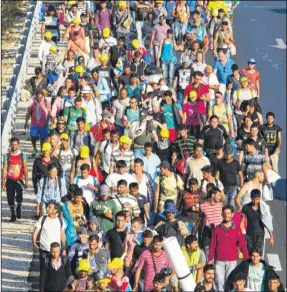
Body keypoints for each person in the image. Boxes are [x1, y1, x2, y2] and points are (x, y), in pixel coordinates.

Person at [208, 205, 249, 291]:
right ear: (222, 214)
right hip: (219, 261)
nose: (227, 215)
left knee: (230, 283)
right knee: (219, 283)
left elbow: (242, 245)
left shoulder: (237, 230)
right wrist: (210, 259)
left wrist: (247, 258)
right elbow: (212, 245)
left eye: (229, 213)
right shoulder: (217, 229)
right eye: (225, 213)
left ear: (232, 214)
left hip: (232, 261)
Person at [32, 201, 66, 290]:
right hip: (44, 250)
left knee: (55, 271)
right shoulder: (43, 219)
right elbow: (36, 231)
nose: (47, 208)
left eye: (50, 207)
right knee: (43, 271)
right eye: (47, 207)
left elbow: (62, 234)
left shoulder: (60, 220)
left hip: (56, 251)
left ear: (55, 210)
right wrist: (34, 242)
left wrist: (64, 246)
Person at [2, 137, 28, 222]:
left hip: (19, 179)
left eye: (16, 144)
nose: (14, 146)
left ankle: (19, 207)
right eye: (12, 144)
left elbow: (25, 168)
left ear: (18, 145)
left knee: (19, 196)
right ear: (10, 145)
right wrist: (3, 181)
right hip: (10, 179)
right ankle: (13, 214)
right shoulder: (7, 156)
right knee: (10, 197)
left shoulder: (22, 155)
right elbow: (5, 168)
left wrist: (27, 180)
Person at [241, 189, 274, 254]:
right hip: (249, 234)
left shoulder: (263, 208)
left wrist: (271, 237)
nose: (255, 201)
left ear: (260, 198)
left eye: (257, 199)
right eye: (253, 199)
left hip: (260, 234)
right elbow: (242, 221)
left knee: (258, 254)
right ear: (251, 198)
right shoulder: (246, 207)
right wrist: (241, 235)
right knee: (250, 254)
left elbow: (268, 223)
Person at [24, 90, 51, 157]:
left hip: (43, 124)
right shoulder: (32, 101)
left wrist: (47, 122)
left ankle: (42, 150)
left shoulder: (46, 101)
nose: (39, 99)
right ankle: (34, 148)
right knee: (33, 136)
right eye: (38, 98)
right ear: (36, 96)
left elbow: (49, 113)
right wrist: (26, 122)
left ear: (42, 97)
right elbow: (28, 112)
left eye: (40, 98)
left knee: (43, 138)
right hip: (34, 123)